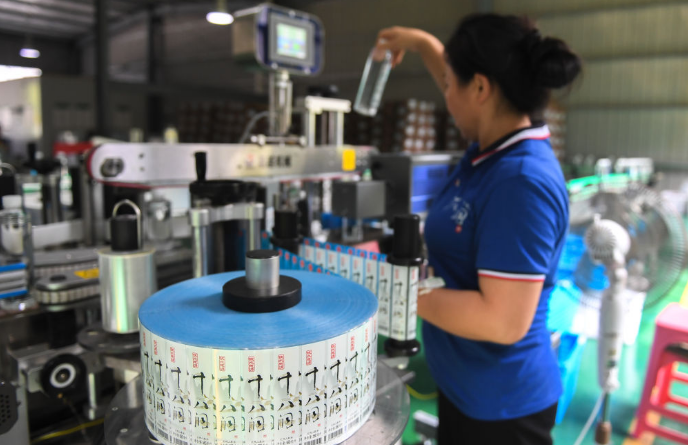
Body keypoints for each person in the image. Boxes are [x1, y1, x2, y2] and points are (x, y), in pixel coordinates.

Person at [376, 13, 582, 445]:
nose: (446, 96)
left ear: (482, 89)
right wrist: (421, 42)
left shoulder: (520, 182)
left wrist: (390, 289)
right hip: (467, 387)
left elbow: (502, 321)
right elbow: (458, 82)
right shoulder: (490, 149)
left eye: (451, 84)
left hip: (502, 408)